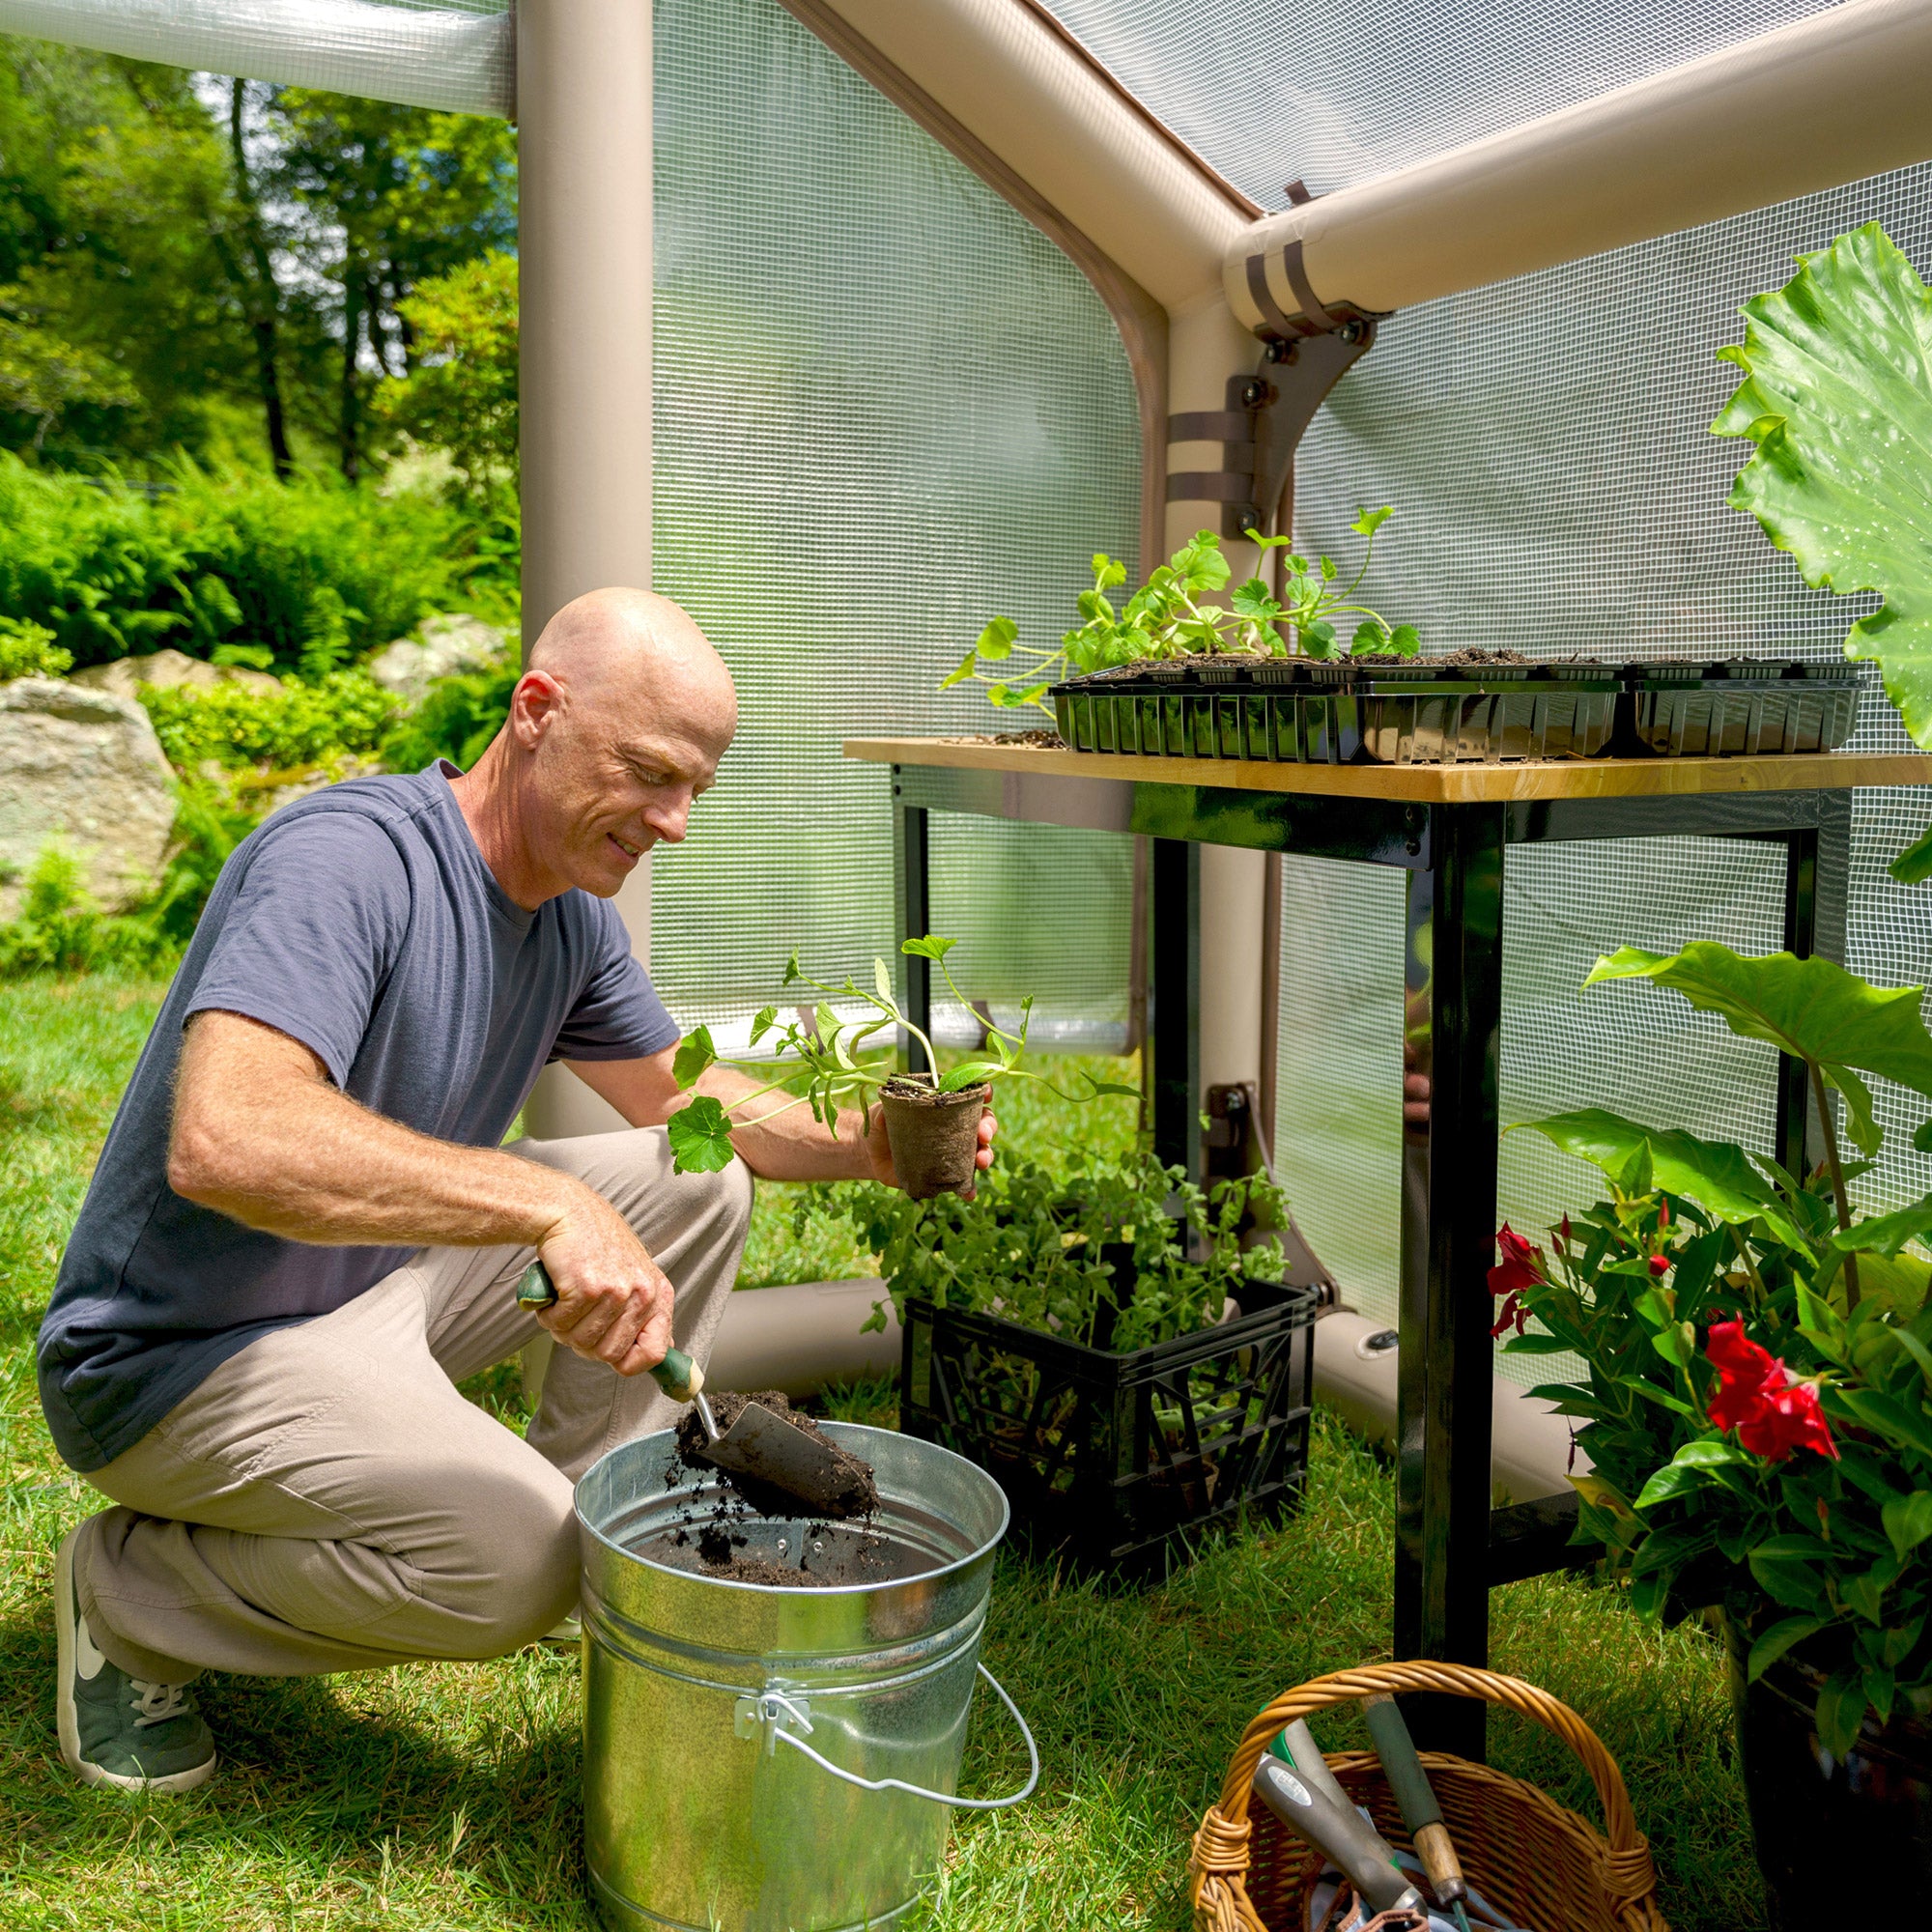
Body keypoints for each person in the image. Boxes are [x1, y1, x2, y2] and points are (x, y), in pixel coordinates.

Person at [39, 587, 994, 1792]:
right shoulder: (351, 861)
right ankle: (128, 1592)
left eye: (696, 786)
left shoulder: (562, 920)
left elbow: (688, 1106)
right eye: (650, 772)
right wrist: (542, 1206)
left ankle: (582, 1529)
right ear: (536, 710)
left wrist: (866, 1139)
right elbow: (228, 1136)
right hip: (184, 1359)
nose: (677, 821)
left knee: (686, 1184)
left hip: (364, 1289)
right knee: (511, 1562)